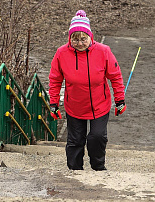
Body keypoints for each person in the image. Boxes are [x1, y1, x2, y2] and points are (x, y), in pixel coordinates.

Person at [48, 10, 126, 171]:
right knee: (75, 141)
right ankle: (75, 171)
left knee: (97, 137)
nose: (80, 43)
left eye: (83, 39)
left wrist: (120, 100)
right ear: (70, 39)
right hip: (75, 106)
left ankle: (98, 168)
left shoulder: (104, 51)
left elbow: (115, 76)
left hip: (99, 105)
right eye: (75, 39)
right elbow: (55, 79)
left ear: (91, 37)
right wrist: (54, 103)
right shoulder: (61, 53)